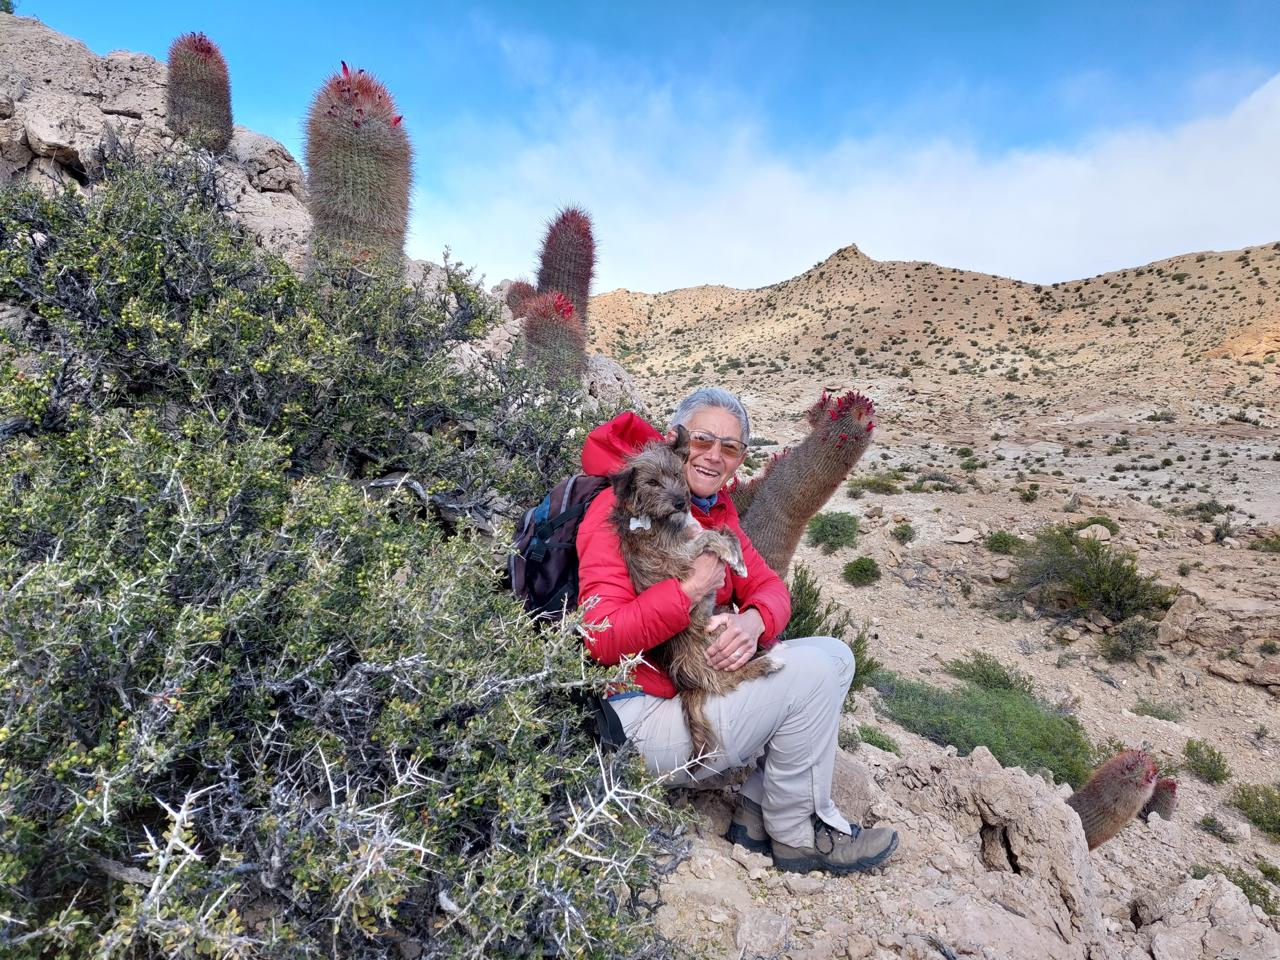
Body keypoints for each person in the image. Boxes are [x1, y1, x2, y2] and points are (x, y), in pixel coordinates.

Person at [575, 387, 899, 875]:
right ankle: (796, 836)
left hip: (686, 691)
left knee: (833, 656)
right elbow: (600, 637)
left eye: (730, 448)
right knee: (815, 672)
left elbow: (770, 587)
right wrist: (690, 591)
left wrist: (753, 621)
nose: (713, 456)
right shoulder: (615, 513)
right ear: (676, 443)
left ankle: (753, 814)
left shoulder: (715, 513)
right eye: (702, 440)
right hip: (635, 722)